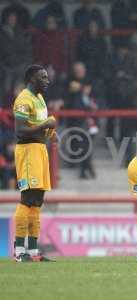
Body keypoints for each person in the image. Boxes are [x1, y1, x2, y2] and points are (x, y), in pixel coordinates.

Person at [12, 64, 57, 262]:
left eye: (47, 77)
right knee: (27, 199)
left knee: (37, 201)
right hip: (27, 151)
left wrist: (51, 133)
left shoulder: (39, 99)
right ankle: (19, 250)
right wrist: (45, 124)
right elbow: (20, 131)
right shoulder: (23, 99)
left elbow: (38, 128)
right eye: (43, 77)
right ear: (32, 79)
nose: (47, 81)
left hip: (39, 150)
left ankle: (32, 251)